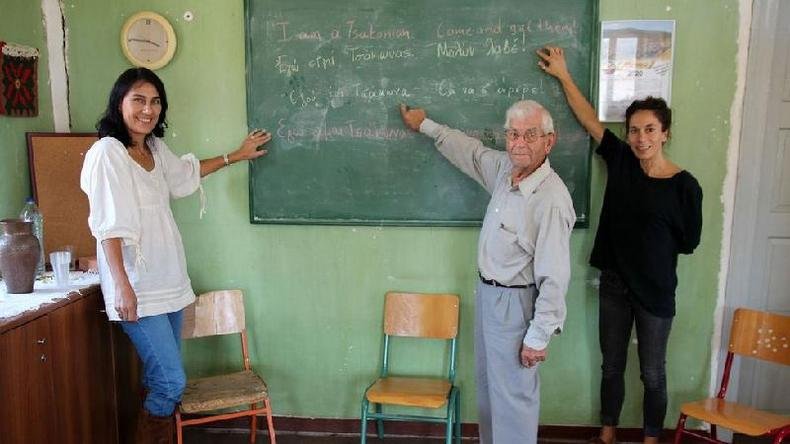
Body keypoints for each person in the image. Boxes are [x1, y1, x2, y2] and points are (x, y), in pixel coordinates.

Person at [80, 67, 271, 444]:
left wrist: (238, 155)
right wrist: (122, 286)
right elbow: (107, 226)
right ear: (119, 103)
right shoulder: (108, 152)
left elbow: (186, 174)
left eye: (155, 102)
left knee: (160, 378)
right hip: (137, 285)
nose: (147, 110)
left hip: (167, 280)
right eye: (138, 100)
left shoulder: (152, 148)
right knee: (171, 381)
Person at [537, 46, 703, 444]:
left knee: (653, 373)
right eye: (634, 130)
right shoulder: (622, 161)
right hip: (614, 285)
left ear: (665, 133)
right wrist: (562, 74)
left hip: (656, 293)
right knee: (611, 366)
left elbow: (689, 242)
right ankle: (607, 434)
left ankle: (650, 439)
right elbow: (589, 119)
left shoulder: (685, 186)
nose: (641, 138)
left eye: (650, 130)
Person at [399, 101, 575, 444]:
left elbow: (555, 277)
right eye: (513, 134)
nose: (519, 143)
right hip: (489, 296)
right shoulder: (506, 170)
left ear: (549, 141)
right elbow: (472, 153)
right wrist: (425, 125)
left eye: (530, 135)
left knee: (513, 400)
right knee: (491, 396)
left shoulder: (550, 200)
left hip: (517, 305)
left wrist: (538, 336)